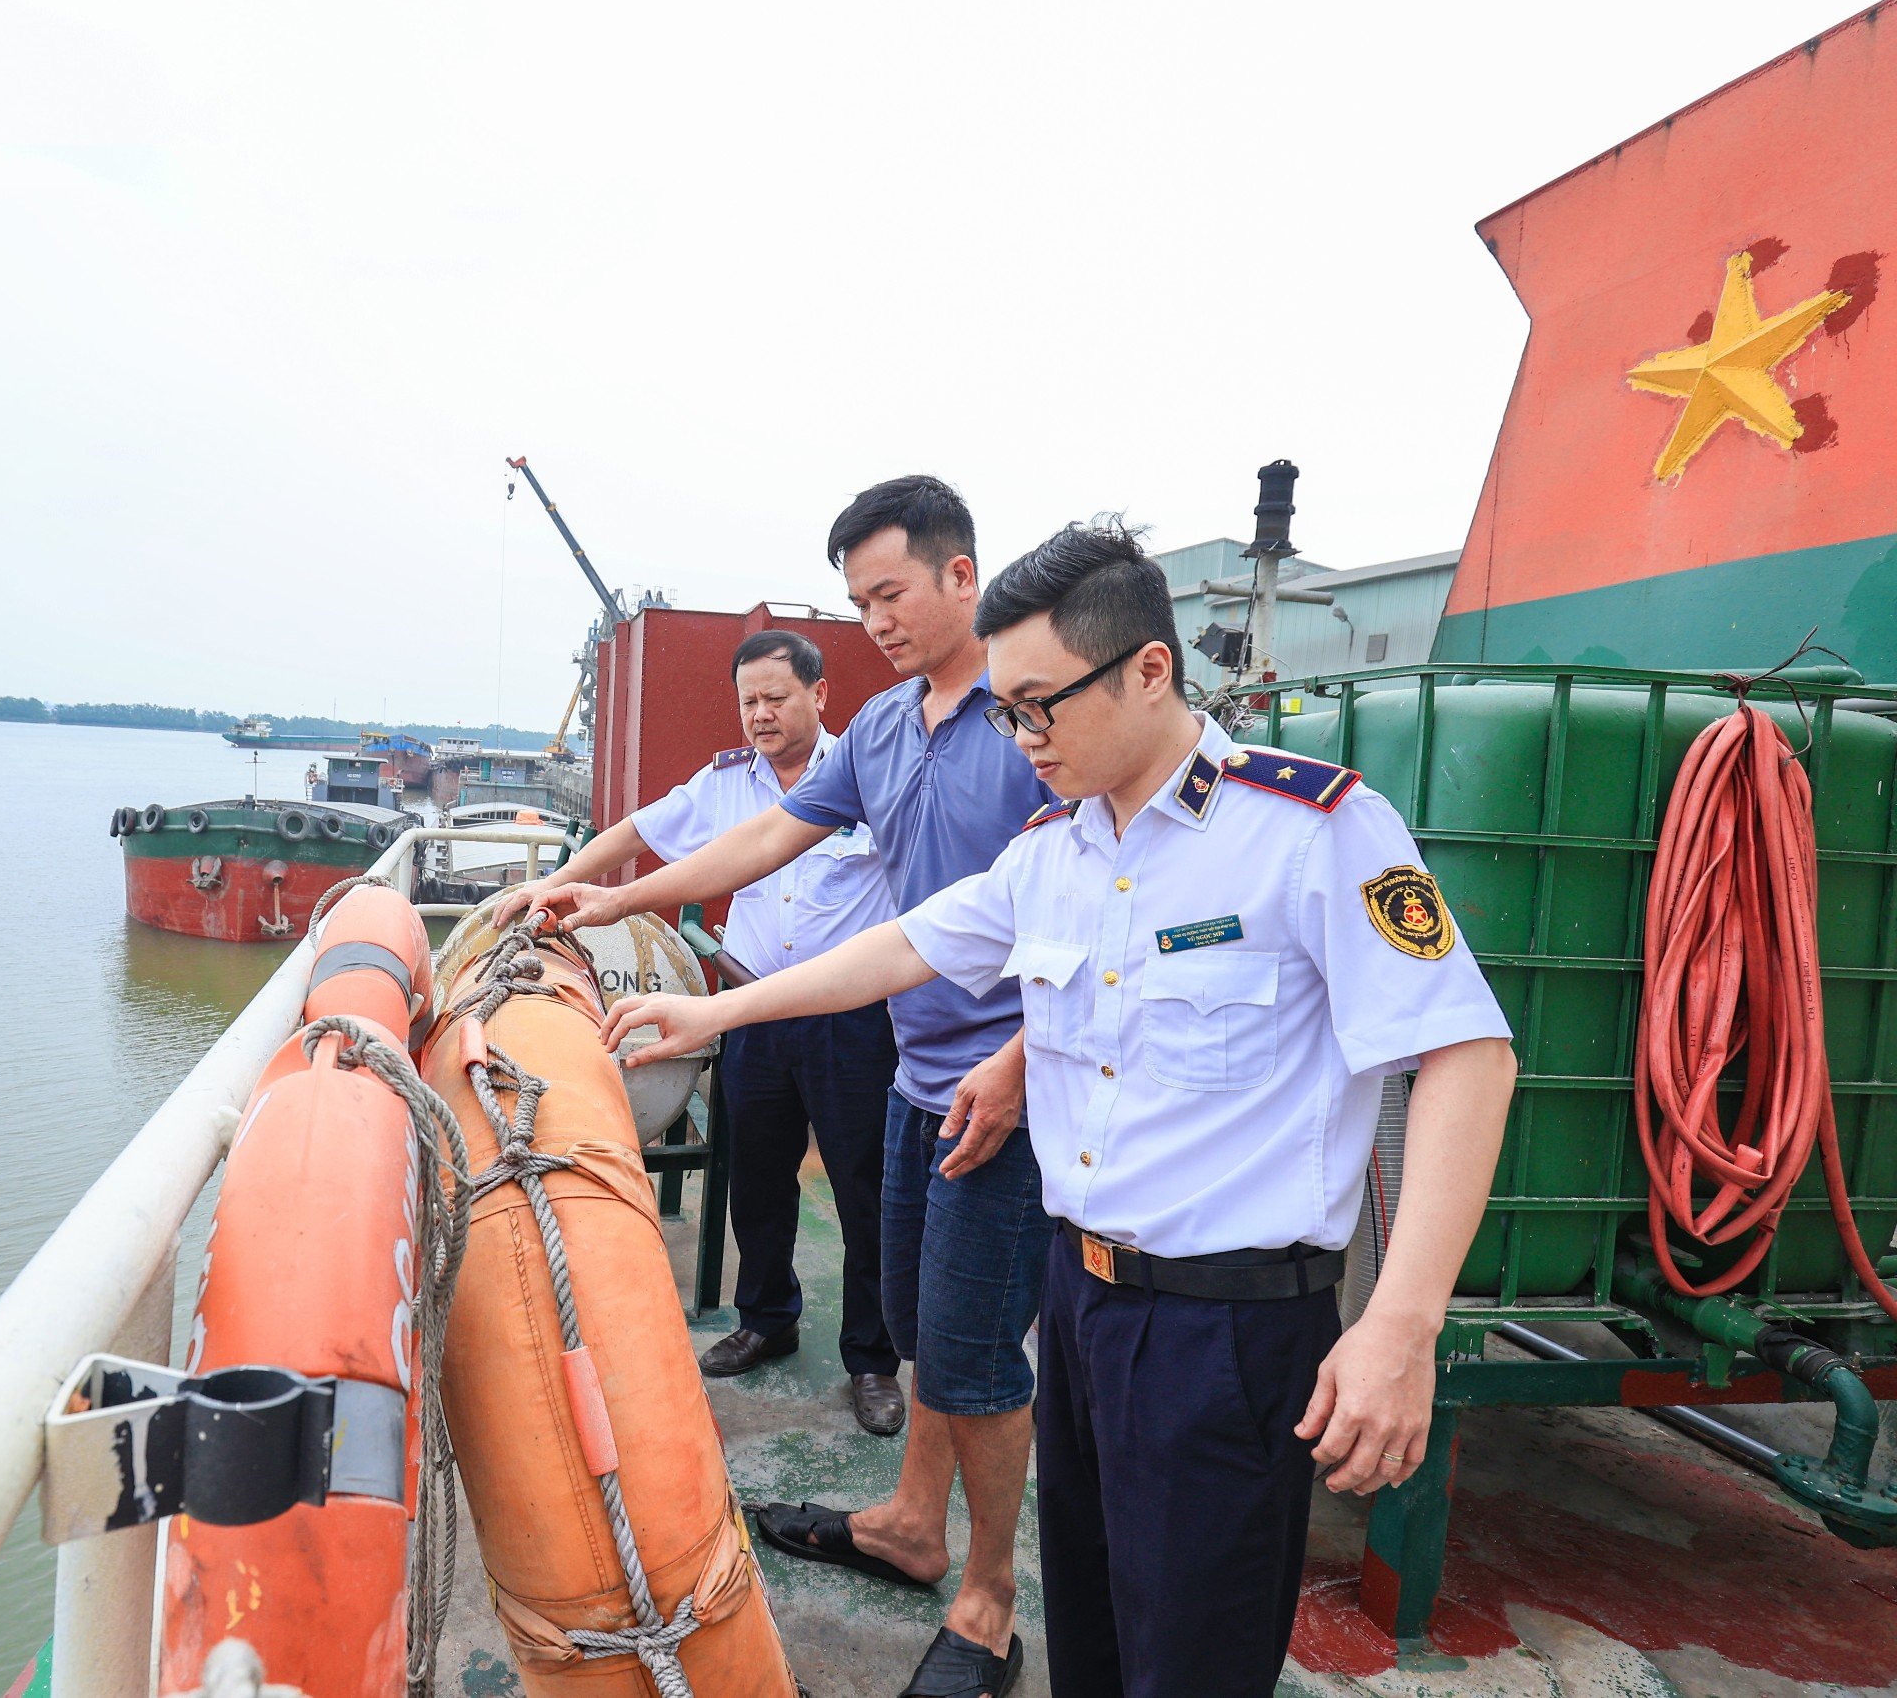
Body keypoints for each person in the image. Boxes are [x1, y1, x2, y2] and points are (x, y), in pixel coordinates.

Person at [603, 517, 1520, 1698]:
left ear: (1149, 670)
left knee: (1186, 1658)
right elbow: (904, 945)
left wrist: (1400, 1327)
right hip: (1077, 1303)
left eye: (1041, 706)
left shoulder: (1311, 832)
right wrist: (714, 1018)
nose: (1022, 737)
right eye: (1007, 711)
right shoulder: (1057, 849)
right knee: (1089, 1632)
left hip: (1224, 1335)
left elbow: (1467, 1056)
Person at [500, 476, 1053, 1695]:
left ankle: (990, 1601)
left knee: (973, 1358)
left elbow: (1106, 893)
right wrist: (615, 898)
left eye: (893, 593)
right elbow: (758, 840)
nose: (881, 620)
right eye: (862, 602)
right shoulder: (888, 731)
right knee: (915, 1328)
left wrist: (1022, 1060)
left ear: (962, 576)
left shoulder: (1034, 722)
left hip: (1008, 1089)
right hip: (917, 1065)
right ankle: (912, 1524)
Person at [509, 628, 905, 1431]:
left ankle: (872, 1360)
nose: (759, 715)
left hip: (849, 1015)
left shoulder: (866, 776)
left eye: (776, 698)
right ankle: (767, 1317)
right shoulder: (725, 785)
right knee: (757, 1174)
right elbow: (638, 833)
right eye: (748, 701)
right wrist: (555, 882)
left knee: (866, 1191)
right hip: (753, 1006)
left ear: (819, 694)